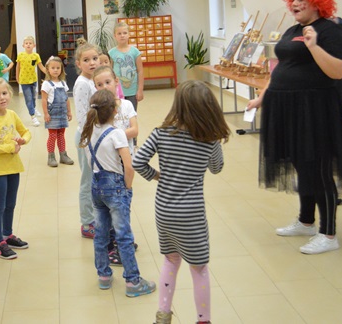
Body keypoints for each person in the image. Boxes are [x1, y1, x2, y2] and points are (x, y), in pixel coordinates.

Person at [246, 0, 342, 255]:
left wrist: (313, 46)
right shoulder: (293, 30)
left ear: (318, 1)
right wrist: (262, 97)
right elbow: (280, 68)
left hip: (314, 111)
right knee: (301, 165)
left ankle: (329, 234)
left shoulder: (329, 31)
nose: (294, 3)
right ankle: (306, 221)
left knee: (318, 169)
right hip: (287, 108)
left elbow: (338, 71)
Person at [133, 80, 230, 324]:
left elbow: (137, 162)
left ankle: (163, 316)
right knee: (199, 268)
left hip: (164, 211)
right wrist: (214, 141)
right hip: (192, 214)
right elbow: (217, 168)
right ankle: (203, 320)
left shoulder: (161, 133)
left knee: (170, 259)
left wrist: (157, 176)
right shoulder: (209, 139)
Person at [80, 89, 156, 298]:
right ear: (115, 111)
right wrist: (128, 188)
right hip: (115, 187)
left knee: (101, 233)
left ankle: (104, 276)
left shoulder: (88, 131)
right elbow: (129, 167)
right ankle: (133, 281)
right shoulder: (117, 134)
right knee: (124, 235)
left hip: (96, 185)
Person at [0, 77, 32, 259]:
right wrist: (10, 147)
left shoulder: (11, 114)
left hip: (13, 167)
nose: (2, 97)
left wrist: (23, 140)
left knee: (10, 204)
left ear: (10, 94)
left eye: (4, 93)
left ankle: (7, 235)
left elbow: (26, 131)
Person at [93, 64, 138, 266]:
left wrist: (115, 137)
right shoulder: (97, 109)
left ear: (116, 82)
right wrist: (116, 137)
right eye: (99, 84)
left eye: (108, 82)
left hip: (125, 163)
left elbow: (135, 129)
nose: (105, 87)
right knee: (112, 210)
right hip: (107, 168)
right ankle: (117, 246)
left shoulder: (126, 105)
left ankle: (122, 242)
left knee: (123, 208)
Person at [73, 42, 100, 238]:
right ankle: (86, 222)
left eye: (95, 58)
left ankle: (95, 217)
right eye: (86, 60)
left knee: (94, 179)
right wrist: (90, 138)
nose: (92, 63)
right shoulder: (82, 83)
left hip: (95, 135)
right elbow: (83, 116)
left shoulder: (93, 80)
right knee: (87, 180)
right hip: (86, 137)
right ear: (78, 63)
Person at [41, 55, 74, 167]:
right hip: (52, 114)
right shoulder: (46, 84)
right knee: (52, 135)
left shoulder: (63, 83)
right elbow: (44, 100)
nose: (55, 70)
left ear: (61, 69)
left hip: (62, 113)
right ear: (48, 69)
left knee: (61, 135)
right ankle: (51, 157)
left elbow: (66, 99)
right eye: (53, 68)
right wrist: (46, 113)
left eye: (58, 68)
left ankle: (63, 155)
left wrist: (69, 111)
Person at [109, 21, 144, 111]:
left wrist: (140, 90)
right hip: (117, 92)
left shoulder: (135, 52)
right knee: (118, 114)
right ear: (115, 36)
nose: (122, 35)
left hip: (132, 91)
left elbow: (140, 71)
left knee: (131, 113)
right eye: (119, 33)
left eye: (125, 33)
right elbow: (109, 72)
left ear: (129, 35)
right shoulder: (111, 53)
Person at [15, 35, 46, 126]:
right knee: (28, 98)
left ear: (34, 45)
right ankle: (32, 116)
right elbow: (18, 67)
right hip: (24, 81)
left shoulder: (36, 56)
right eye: (26, 43)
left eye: (30, 43)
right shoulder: (20, 55)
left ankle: (34, 108)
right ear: (23, 45)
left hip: (33, 80)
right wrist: (17, 77)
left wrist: (49, 73)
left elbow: (41, 67)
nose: (28, 45)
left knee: (33, 97)